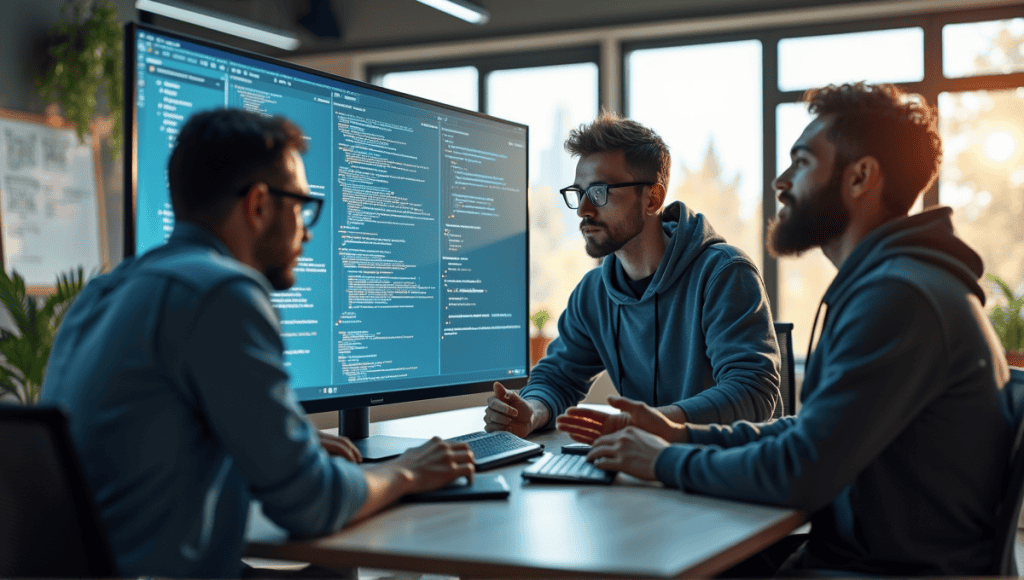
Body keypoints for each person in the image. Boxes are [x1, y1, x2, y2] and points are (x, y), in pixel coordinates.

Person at [560, 82, 1013, 576]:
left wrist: (663, 461)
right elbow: (811, 432)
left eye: (801, 162)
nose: (780, 181)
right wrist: (680, 435)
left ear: (860, 177)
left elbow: (801, 469)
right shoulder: (896, 284)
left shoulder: (900, 298)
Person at [40, 109, 474, 578]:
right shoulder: (222, 292)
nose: (307, 231)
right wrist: (407, 471)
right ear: (259, 205)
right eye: (301, 207)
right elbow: (312, 506)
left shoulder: (104, 291)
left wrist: (288, 445)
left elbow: (145, 454)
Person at [484, 112, 781, 438]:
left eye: (599, 191)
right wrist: (533, 411)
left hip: (718, 472)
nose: (583, 209)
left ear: (652, 198)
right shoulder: (594, 293)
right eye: (578, 193)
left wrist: (657, 423)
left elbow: (753, 391)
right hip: (640, 466)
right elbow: (557, 377)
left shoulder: (724, 273)